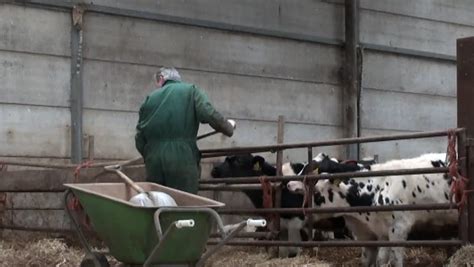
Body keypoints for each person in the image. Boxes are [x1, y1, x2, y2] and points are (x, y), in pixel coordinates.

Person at [135, 67, 235, 194]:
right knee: (184, 202)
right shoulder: (191, 91)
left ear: (161, 79)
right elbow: (208, 113)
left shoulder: (150, 98)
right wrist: (228, 128)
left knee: (157, 202)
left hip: (154, 160)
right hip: (182, 157)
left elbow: (139, 137)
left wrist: (150, 154)